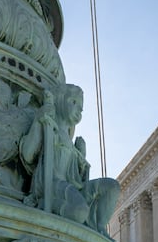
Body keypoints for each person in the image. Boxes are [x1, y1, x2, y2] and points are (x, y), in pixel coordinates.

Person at [20, 83, 119, 232]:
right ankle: (43, 204)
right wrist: (37, 121)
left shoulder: (71, 142)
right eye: (74, 102)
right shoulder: (48, 124)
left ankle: (99, 228)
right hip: (52, 184)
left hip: (73, 186)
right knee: (79, 212)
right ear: (60, 100)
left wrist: (81, 155)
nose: (79, 109)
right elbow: (28, 154)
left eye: (81, 106)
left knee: (112, 187)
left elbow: (77, 175)